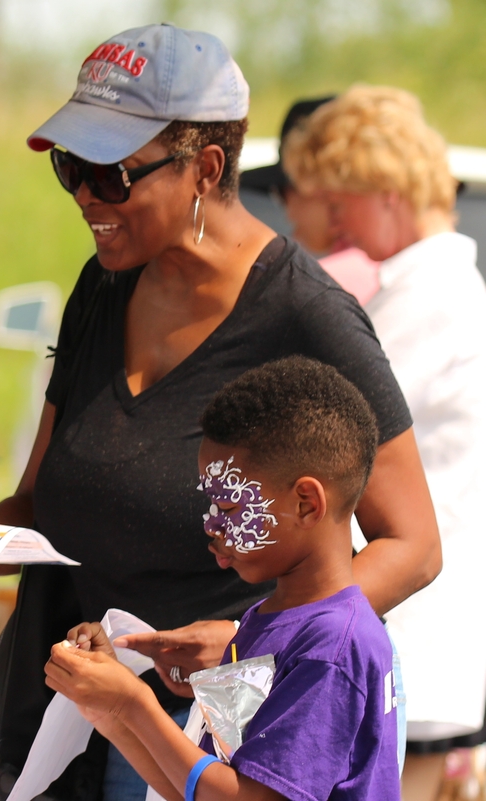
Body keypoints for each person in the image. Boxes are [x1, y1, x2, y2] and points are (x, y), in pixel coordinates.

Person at [0, 24, 439, 801]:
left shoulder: (307, 316)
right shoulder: (103, 285)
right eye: (70, 168)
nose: (85, 196)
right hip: (72, 711)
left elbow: (413, 544)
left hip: (207, 739)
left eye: (111, 174)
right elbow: (43, 500)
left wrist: (251, 638)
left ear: (205, 167)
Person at [47, 356, 400, 801]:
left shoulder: (332, 647)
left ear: (307, 503)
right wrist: (111, 709)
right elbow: (197, 788)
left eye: (229, 507)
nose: (212, 526)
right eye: (210, 507)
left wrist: (132, 703)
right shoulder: (267, 619)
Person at [283, 85, 486, 801]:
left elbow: (323, 421)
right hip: (413, 635)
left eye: (341, 202)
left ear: (388, 191)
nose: (333, 222)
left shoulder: (432, 298)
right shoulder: (428, 289)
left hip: (412, 635)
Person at [240, 96, 379, 304]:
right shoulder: (396, 266)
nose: (287, 211)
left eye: (281, 193)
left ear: (320, 190)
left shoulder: (319, 288)